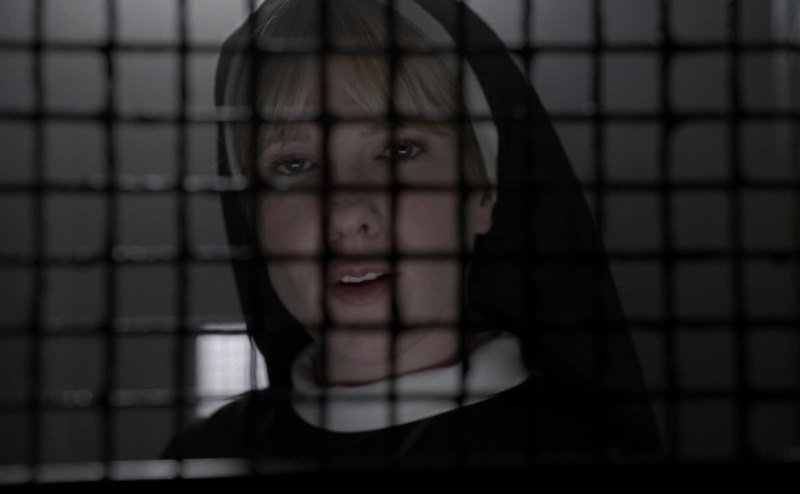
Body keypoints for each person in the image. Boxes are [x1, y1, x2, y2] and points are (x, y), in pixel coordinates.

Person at [162, 0, 665, 468]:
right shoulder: (204, 458)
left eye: (400, 150)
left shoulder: (584, 455)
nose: (347, 214)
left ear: (482, 195)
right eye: (293, 164)